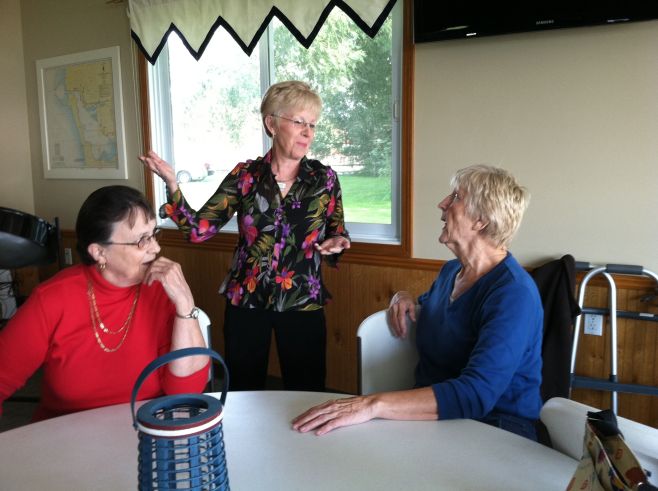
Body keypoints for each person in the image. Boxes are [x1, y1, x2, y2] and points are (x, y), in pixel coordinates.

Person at [292, 165, 543, 440]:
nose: (442, 204)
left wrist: (373, 404)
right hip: (437, 421)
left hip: (496, 428)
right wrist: (402, 296)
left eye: (456, 197)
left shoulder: (513, 293)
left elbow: (476, 394)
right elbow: (434, 311)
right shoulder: (451, 272)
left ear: (480, 220)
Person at [140, 80, 351, 392]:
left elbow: (337, 230)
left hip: (303, 300)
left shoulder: (325, 179)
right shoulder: (246, 176)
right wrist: (172, 184)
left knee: (307, 389)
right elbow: (199, 230)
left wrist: (338, 242)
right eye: (299, 122)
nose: (308, 132)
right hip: (247, 300)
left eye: (313, 124)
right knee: (243, 388)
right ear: (272, 124)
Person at [0, 185, 209, 421]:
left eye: (153, 234)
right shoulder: (51, 299)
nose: (156, 248)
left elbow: (187, 392)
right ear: (99, 252)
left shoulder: (161, 290)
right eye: (142, 240)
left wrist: (185, 305)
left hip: (147, 432)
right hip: (67, 434)